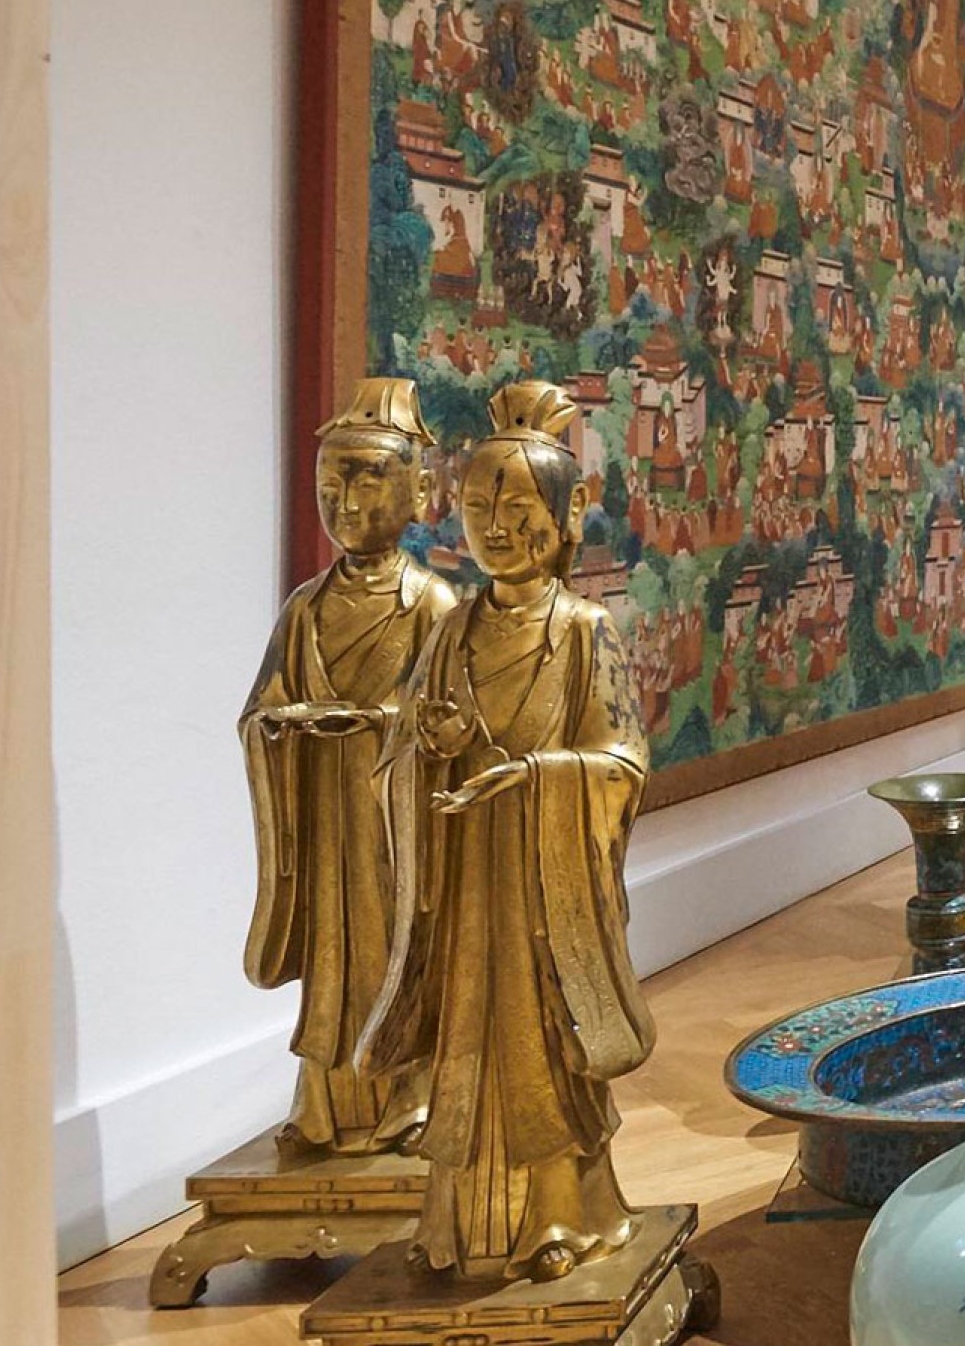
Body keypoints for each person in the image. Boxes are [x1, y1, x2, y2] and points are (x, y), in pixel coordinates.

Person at [358, 378, 657, 1282]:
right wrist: (431, 748)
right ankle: (453, 1225)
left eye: (518, 508)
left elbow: (622, 762)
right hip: (462, 890)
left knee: (543, 1049)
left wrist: (532, 776)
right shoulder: (450, 633)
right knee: (464, 1052)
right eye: (479, 506)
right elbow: (404, 751)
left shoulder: (584, 632)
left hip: (541, 895)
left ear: (564, 519)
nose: (495, 526)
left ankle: (562, 1214)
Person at [239, 378, 458, 1155]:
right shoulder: (306, 608)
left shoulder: (431, 604)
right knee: (331, 966)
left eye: (369, 482)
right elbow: (259, 712)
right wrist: (281, 727)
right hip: (327, 818)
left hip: (398, 826)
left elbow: (452, 722)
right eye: (331, 488)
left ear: (418, 494)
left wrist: (381, 724)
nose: (347, 504)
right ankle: (325, 1103)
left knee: (401, 952)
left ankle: (411, 1092)